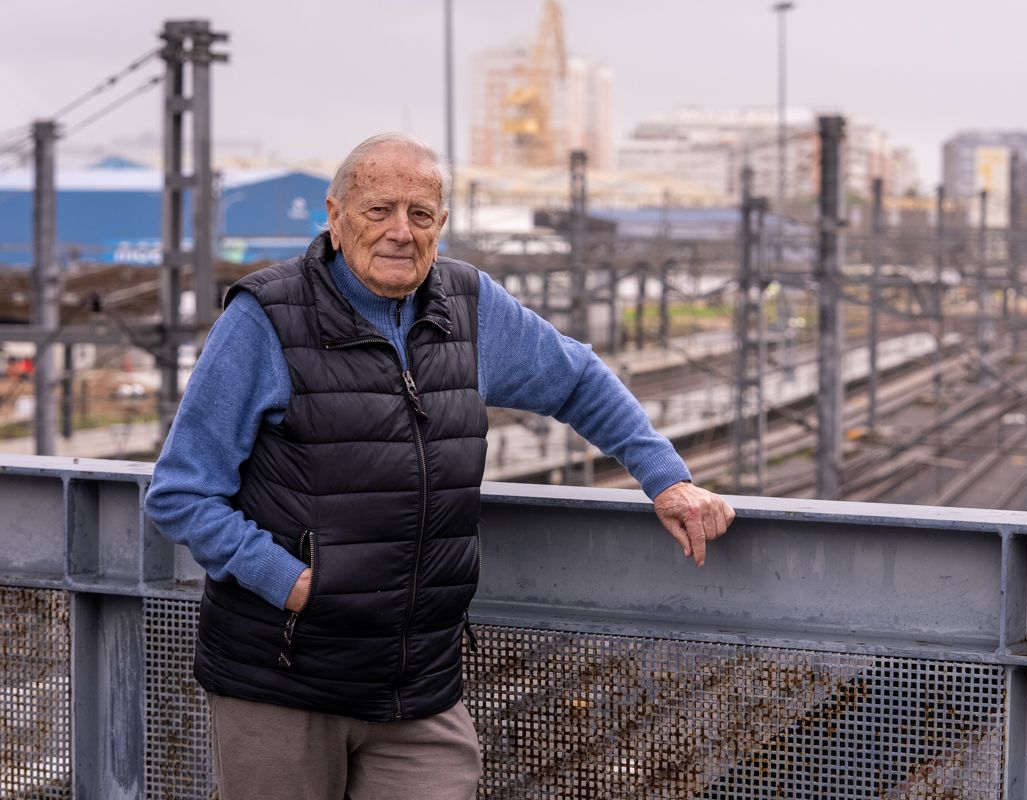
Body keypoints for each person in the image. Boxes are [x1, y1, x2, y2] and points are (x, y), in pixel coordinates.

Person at [145, 133, 735, 800]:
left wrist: (666, 478)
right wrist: (291, 583)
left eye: (420, 213)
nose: (401, 231)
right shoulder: (265, 320)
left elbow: (577, 379)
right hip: (283, 679)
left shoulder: (470, 306)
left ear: (441, 223)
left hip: (419, 685)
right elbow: (180, 494)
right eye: (379, 210)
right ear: (335, 217)